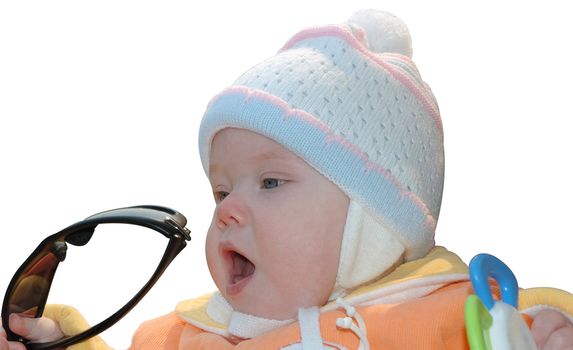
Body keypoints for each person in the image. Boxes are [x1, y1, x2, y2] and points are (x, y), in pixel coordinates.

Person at [2, 9, 573, 350]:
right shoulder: (180, 337)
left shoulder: (451, 317)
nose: (226, 210)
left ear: (371, 223)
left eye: (270, 182)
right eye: (222, 190)